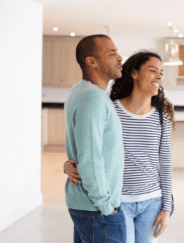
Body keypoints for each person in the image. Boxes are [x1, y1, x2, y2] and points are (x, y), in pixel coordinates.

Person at [65, 51, 174, 243]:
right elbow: (88, 146)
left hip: (152, 202)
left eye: (161, 73)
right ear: (133, 73)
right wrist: (68, 164)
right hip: (117, 201)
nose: (159, 77)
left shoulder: (161, 118)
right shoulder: (109, 109)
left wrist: (166, 207)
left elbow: (165, 163)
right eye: (152, 71)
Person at [64, 34, 126, 242]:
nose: (120, 57)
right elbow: (90, 157)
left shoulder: (83, 91)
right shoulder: (92, 98)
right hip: (98, 210)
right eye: (112, 53)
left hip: (90, 208)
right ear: (92, 61)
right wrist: (106, 206)